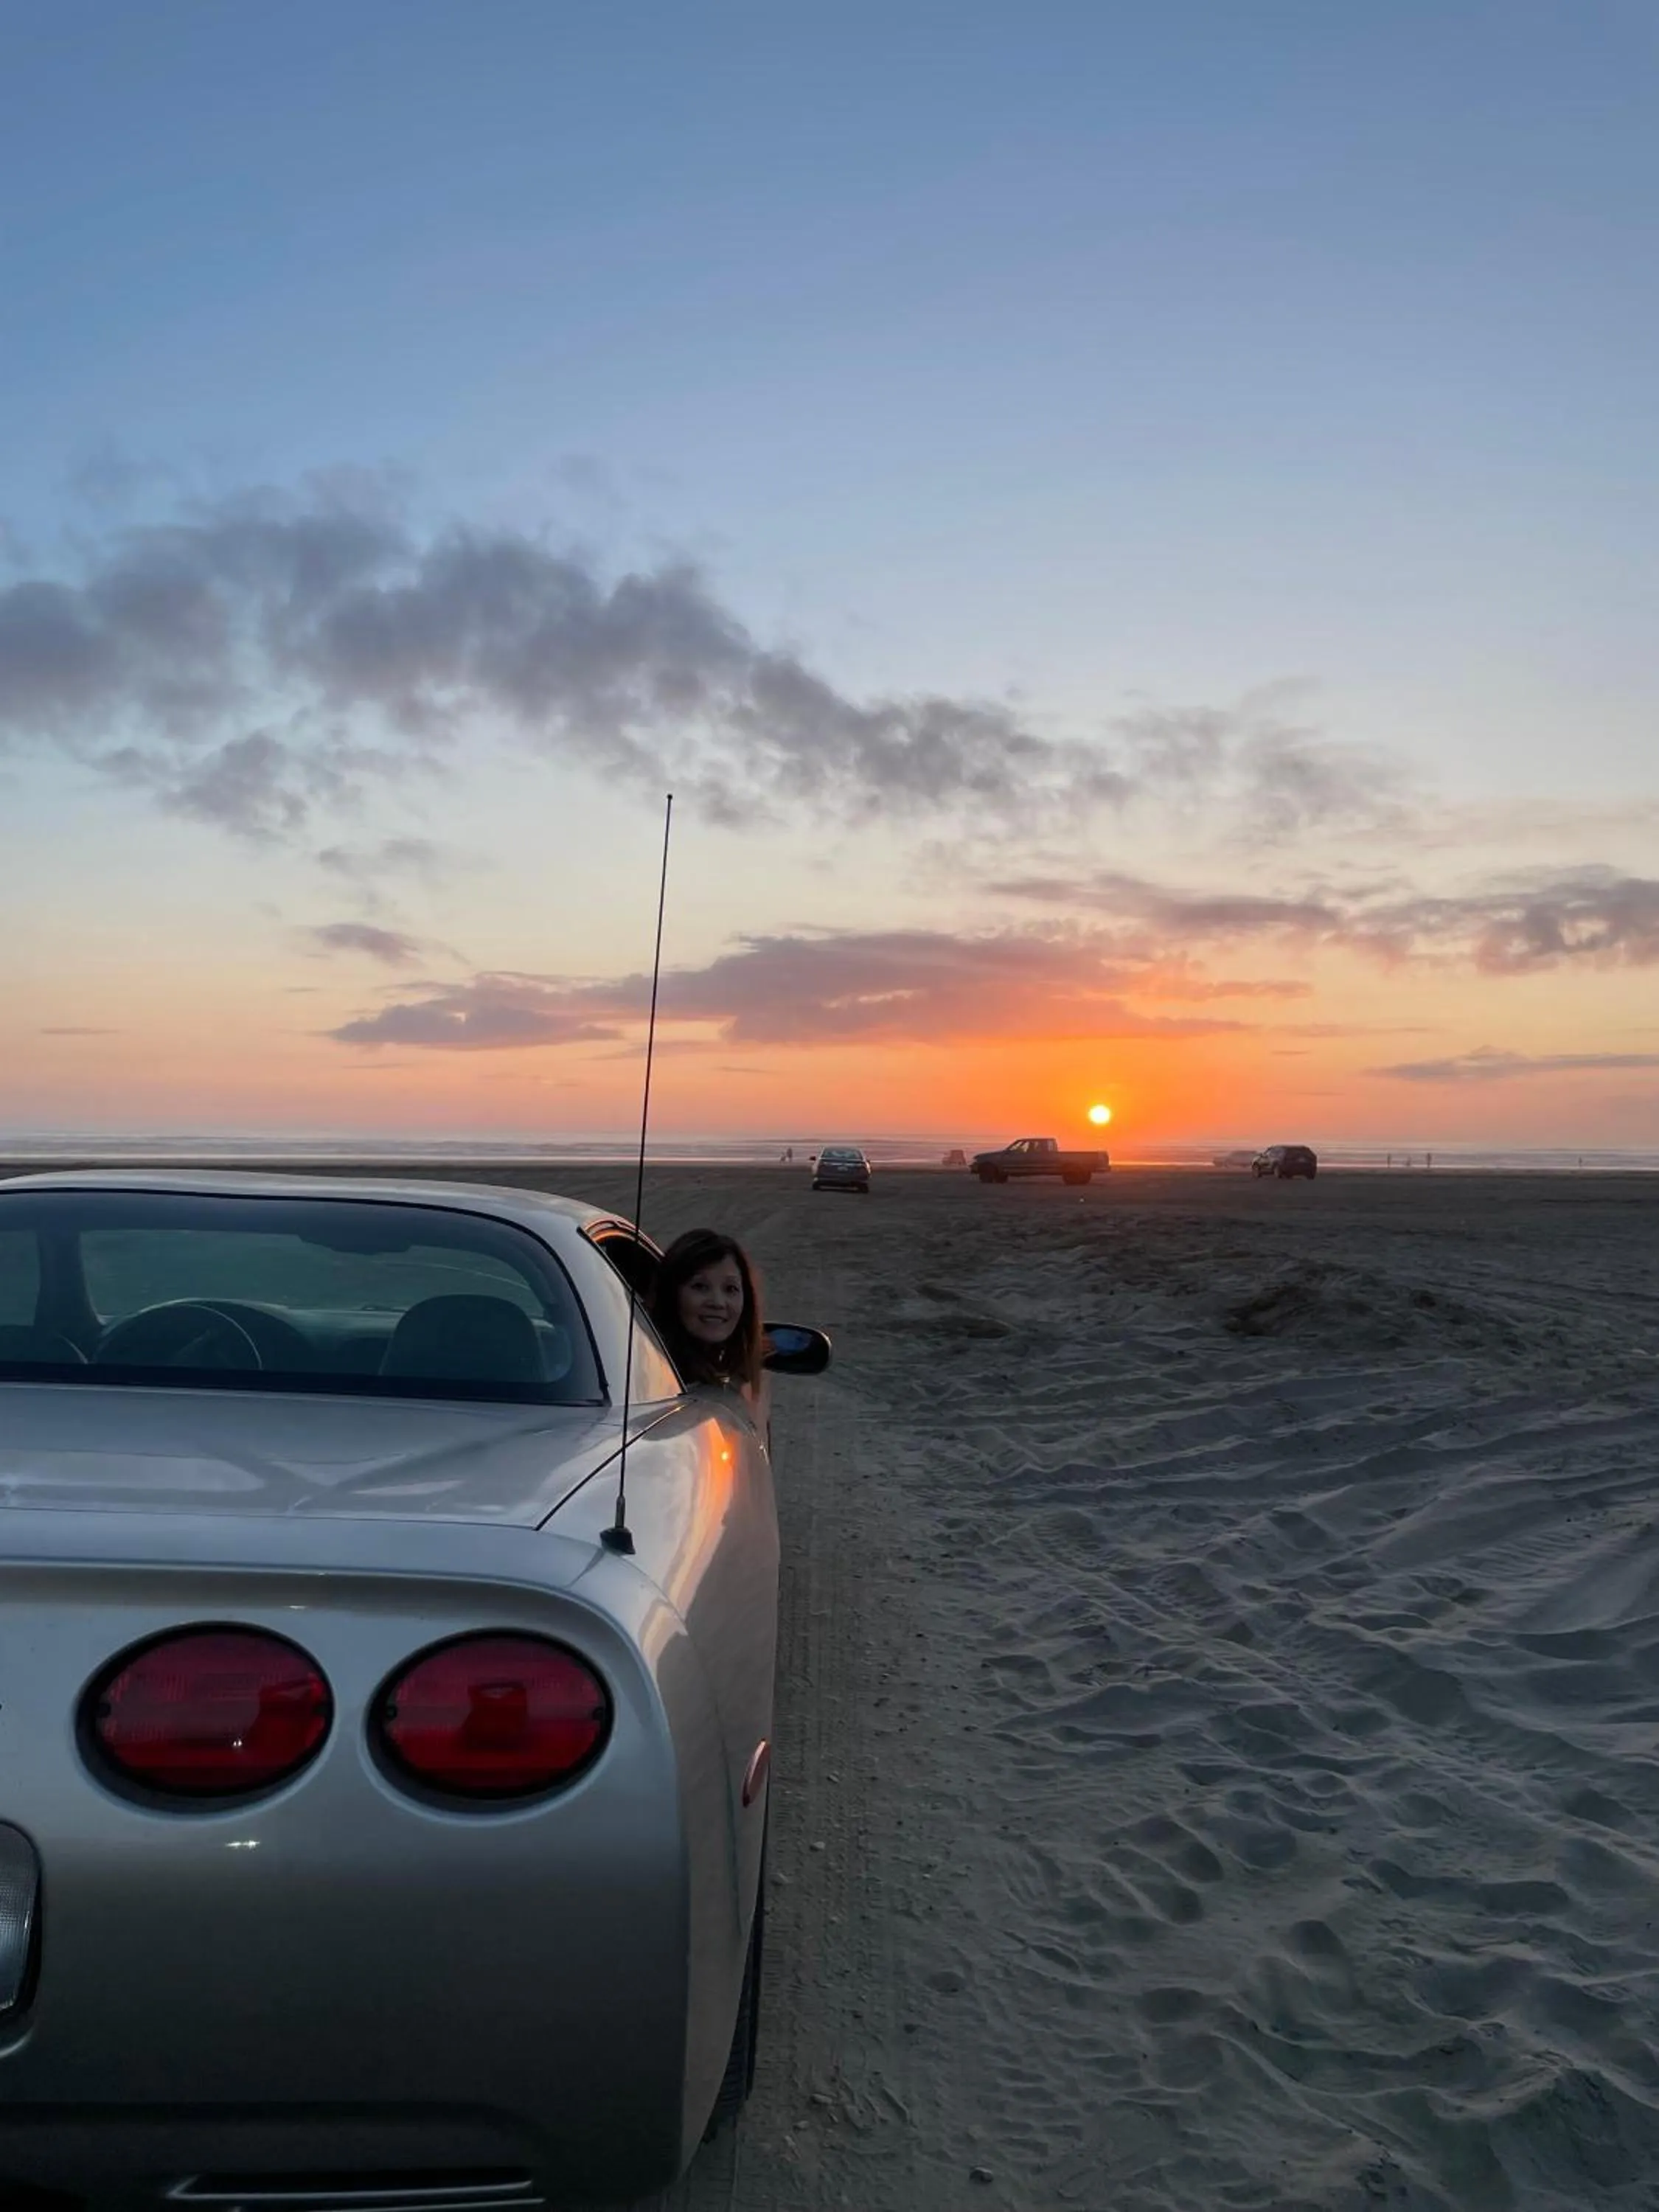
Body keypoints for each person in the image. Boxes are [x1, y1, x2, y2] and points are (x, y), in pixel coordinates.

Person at [649, 1228, 765, 1413]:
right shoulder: (654, 1375)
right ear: (671, 1295)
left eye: (730, 1289)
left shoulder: (734, 1379)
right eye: (700, 1287)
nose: (718, 1303)